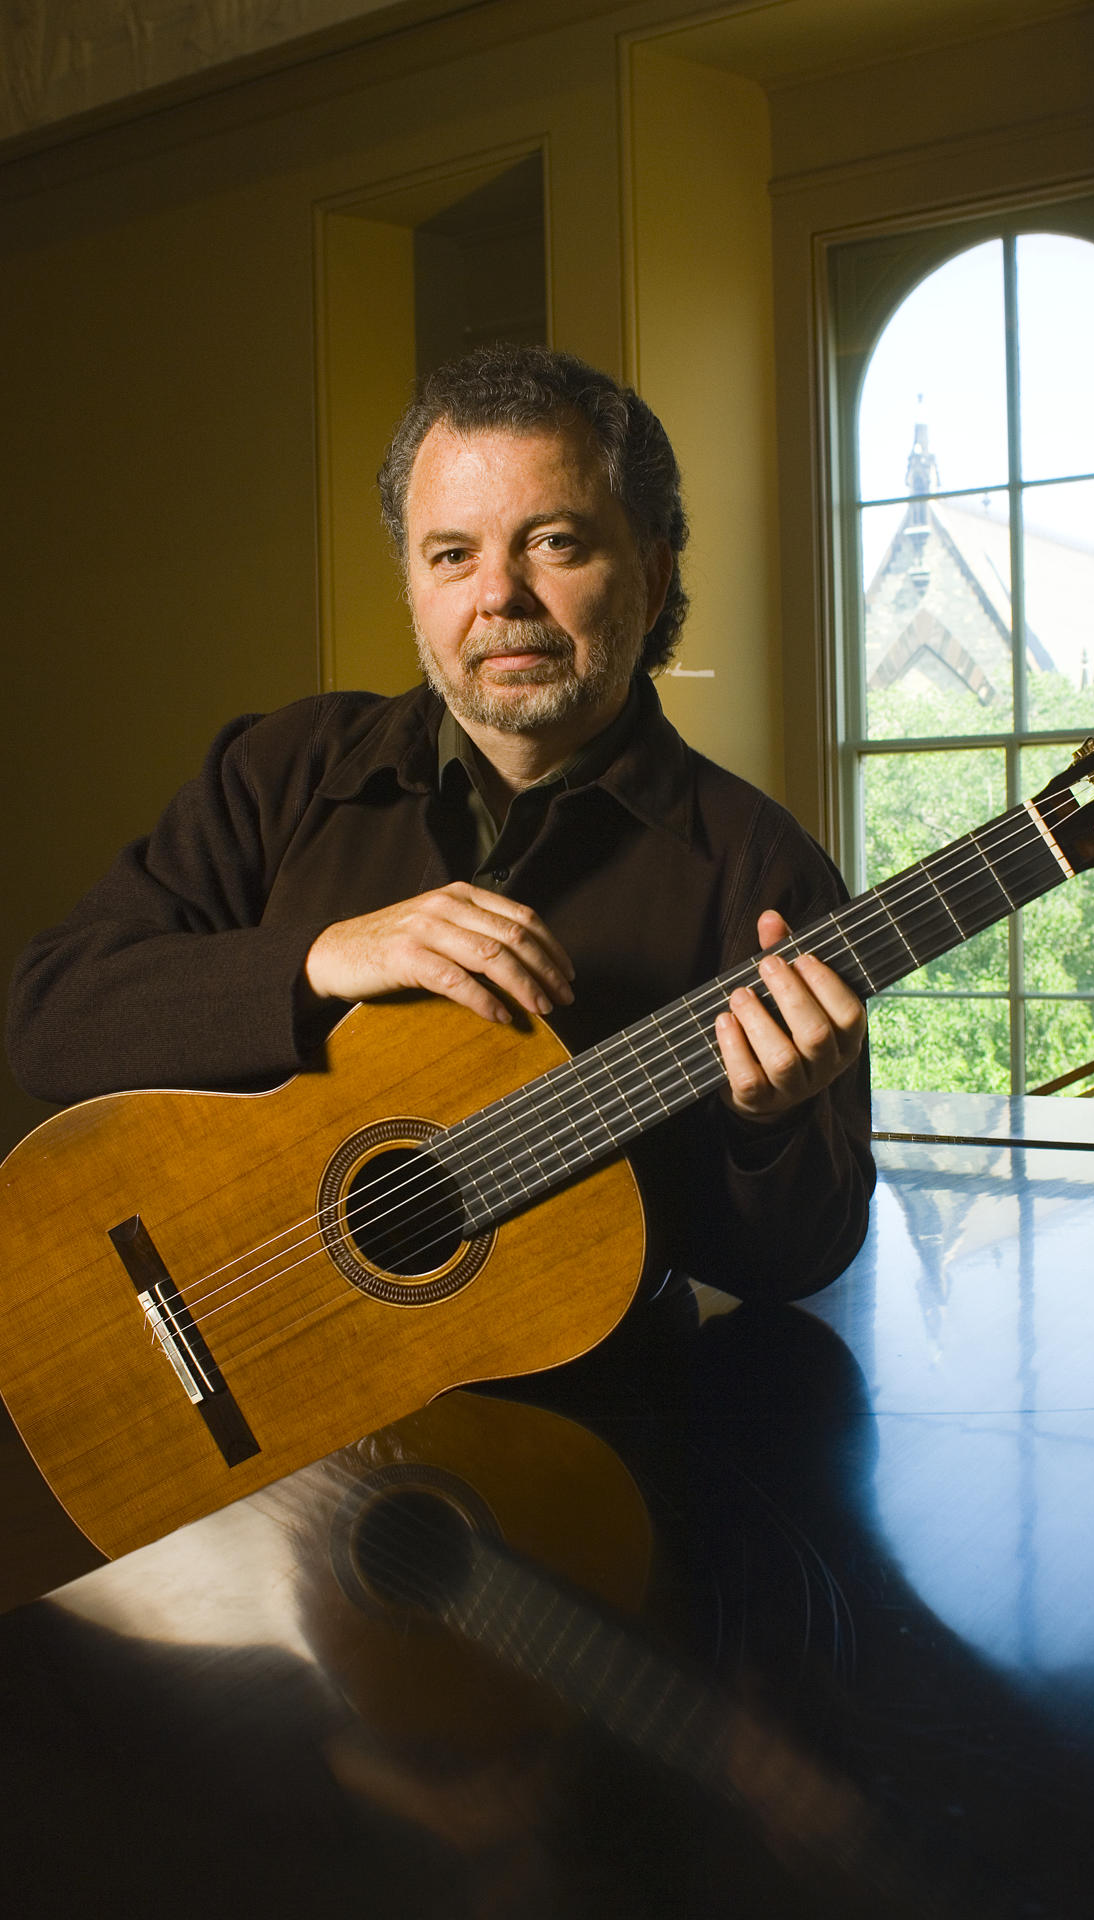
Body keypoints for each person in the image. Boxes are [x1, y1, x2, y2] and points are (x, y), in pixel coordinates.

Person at [6, 345, 873, 1304]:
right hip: (246, 1371)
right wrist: (321, 958)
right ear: (414, 585)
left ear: (652, 574)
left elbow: (799, 1263)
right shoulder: (283, 769)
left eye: (554, 543)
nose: (497, 594)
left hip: (576, 1418)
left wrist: (770, 1124)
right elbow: (51, 1023)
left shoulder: (760, 871)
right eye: (452, 555)